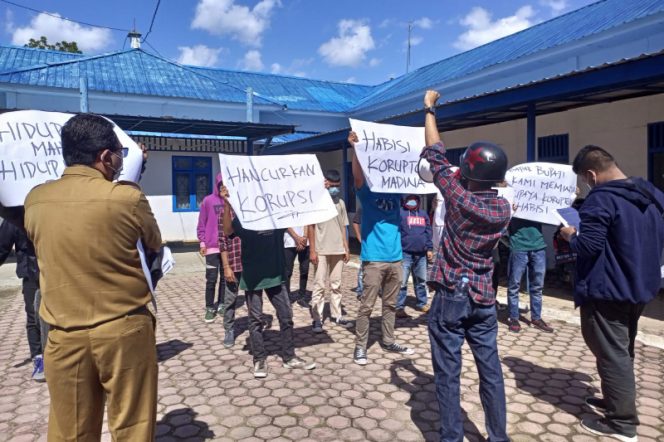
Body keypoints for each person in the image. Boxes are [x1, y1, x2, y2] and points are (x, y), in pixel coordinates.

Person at [24, 114, 162, 440]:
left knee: (70, 430)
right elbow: (154, 243)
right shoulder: (127, 198)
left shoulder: (35, 200)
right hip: (123, 330)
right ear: (105, 156)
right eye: (119, 154)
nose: (120, 161)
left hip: (62, 335)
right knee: (132, 426)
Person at [421, 90, 510, 442]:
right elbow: (451, 171)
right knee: (491, 370)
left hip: (452, 295)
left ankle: (451, 437)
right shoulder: (502, 209)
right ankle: (498, 436)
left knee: (447, 372)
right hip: (485, 297)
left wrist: (429, 109)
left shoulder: (458, 199)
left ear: (469, 173)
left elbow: (435, 155)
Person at [560, 145, 664, 442]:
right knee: (621, 348)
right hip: (640, 286)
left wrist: (570, 235)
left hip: (607, 290)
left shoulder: (600, 201)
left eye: (585, 179)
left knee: (611, 353)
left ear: (592, 174)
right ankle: (615, 399)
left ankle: (622, 423)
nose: (586, 185)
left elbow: (588, 247)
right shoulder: (651, 194)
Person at [220, 185, 316, 378]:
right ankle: (259, 360)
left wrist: (314, 191)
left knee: (286, 316)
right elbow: (228, 230)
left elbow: (299, 206)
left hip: (276, 276)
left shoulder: (277, 218)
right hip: (253, 278)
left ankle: (289, 357)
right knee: (255, 320)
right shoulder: (246, 221)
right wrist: (227, 203)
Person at [347, 132, 414, 366]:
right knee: (366, 306)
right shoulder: (367, 192)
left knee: (391, 305)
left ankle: (388, 340)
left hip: (396, 258)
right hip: (374, 259)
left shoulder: (397, 191)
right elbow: (356, 176)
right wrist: (355, 149)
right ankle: (360, 347)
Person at [0, 219, 45, 381]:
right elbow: (2, 246)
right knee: (33, 317)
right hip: (31, 275)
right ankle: (39, 359)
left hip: (57, 272)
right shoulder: (14, 215)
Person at [309, 169, 351, 332]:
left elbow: (343, 227)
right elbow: (311, 227)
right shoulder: (317, 202)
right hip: (321, 250)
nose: (335, 188)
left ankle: (337, 315)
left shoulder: (340, 203)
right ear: (325, 184)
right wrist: (312, 250)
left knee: (336, 285)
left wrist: (346, 248)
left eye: (337, 186)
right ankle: (317, 318)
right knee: (319, 285)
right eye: (331, 185)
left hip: (338, 250)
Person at [505, 218, 554, 333]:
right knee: (514, 286)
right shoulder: (511, 201)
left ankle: (536, 318)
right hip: (518, 246)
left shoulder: (538, 201)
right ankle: (514, 318)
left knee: (537, 286)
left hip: (538, 246)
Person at [396, 194, 433, 318]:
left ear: (418, 201)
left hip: (421, 254)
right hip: (405, 253)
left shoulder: (423, 214)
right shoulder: (400, 214)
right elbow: (396, 231)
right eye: (409, 199)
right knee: (402, 282)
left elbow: (428, 231)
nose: (412, 201)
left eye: (414, 199)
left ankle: (421, 303)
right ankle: (399, 307)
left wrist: (429, 248)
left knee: (421, 281)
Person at [197, 174, 225, 323]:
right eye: (220, 184)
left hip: (226, 248)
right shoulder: (208, 201)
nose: (223, 186)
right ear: (216, 184)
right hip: (212, 248)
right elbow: (201, 224)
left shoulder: (230, 201)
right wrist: (203, 243)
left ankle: (222, 304)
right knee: (211, 279)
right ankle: (209, 307)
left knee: (225, 279)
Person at [218, 203, 243, 349]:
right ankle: (229, 329)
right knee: (230, 299)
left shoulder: (252, 210)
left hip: (252, 263)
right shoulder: (224, 212)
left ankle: (255, 330)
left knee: (254, 299)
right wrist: (226, 267)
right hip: (234, 264)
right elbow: (222, 242)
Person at [283, 226, 311, 307]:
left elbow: (307, 222)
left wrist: (304, 237)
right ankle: (287, 298)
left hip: (305, 242)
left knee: (305, 270)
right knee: (287, 272)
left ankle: (302, 297)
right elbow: (285, 223)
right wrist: (297, 238)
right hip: (289, 241)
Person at [351, 208, 363, 298]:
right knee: (363, 268)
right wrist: (359, 238)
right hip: (368, 244)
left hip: (382, 245)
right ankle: (361, 290)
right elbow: (355, 222)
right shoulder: (364, 207)